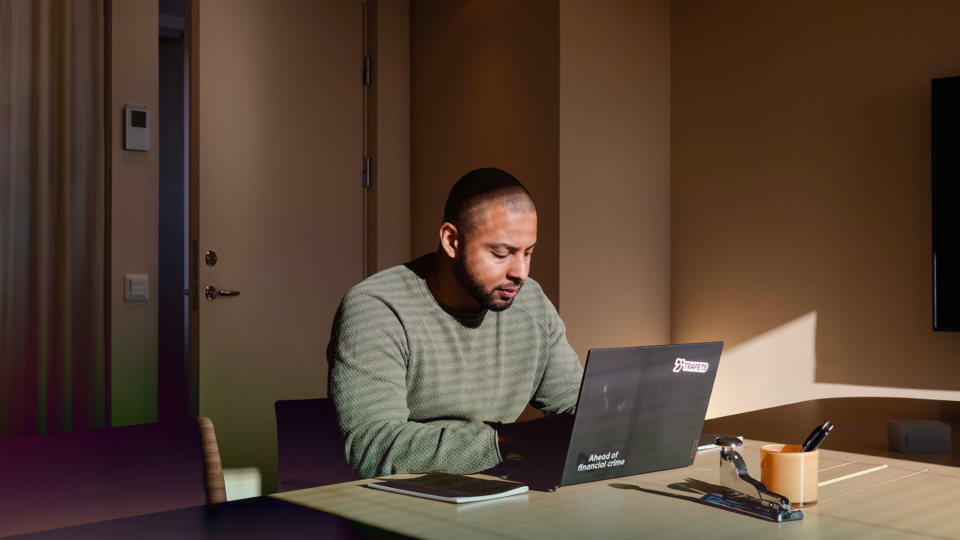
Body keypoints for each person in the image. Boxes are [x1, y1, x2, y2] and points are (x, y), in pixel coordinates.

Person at [328, 168, 583, 478]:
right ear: (451, 241)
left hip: (496, 492)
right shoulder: (377, 308)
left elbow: (577, 408)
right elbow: (372, 446)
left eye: (528, 252)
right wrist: (506, 441)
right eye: (502, 253)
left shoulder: (531, 303)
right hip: (403, 504)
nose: (521, 272)